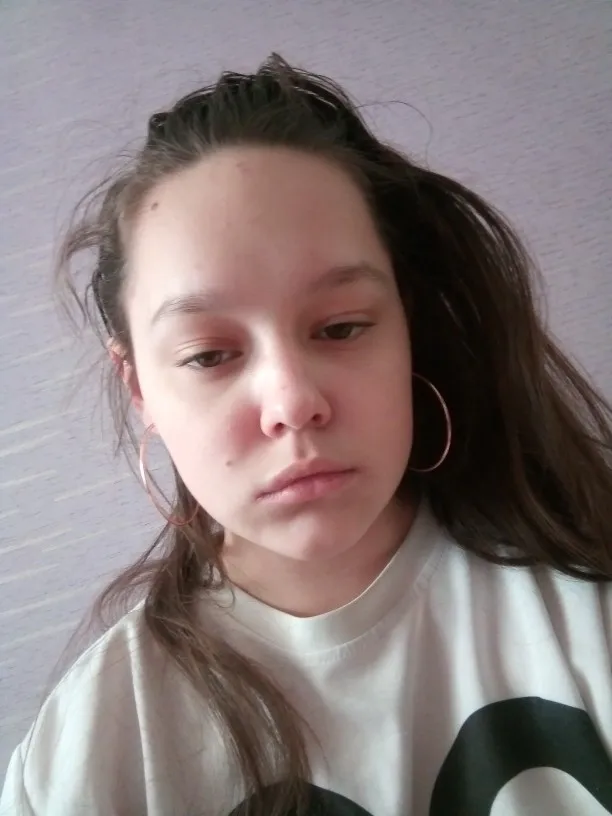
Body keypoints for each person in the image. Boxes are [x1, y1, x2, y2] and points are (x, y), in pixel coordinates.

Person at [2, 52, 611, 816]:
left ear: (408, 327)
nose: (292, 402)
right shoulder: (90, 760)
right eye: (210, 355)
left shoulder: (586, 607)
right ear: (139, 387)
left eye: (341, 326)